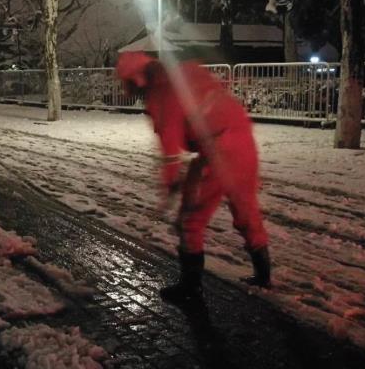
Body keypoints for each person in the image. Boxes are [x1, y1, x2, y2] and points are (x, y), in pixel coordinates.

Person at [115, 51, 272, 302]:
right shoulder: (184, 72)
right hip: (243, 140)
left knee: (190, 218)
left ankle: (190, 287)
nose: (129, 91)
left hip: (217, 148)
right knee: (245, 208)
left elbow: (170, 148)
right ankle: (264, 275)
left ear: (137, 80)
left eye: (128, 84)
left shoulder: (162, 94)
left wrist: (170, 184)